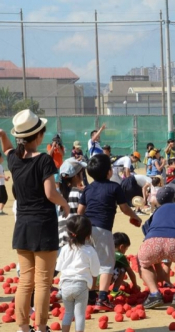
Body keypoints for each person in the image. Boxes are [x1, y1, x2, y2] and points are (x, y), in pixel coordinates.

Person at [0, 109, 70, 332]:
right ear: (39, 135)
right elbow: (50, 193)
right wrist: (65, 204)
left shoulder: (13, 159)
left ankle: (23, 327)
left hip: (22, 227)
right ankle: (40, 328)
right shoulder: (44, 161)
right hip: (44, 225)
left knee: (24, 282)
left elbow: (8, 148)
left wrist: (2, 134)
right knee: (42, 282)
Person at [78, 154, 142, 311]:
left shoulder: (88, 188)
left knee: (91, 262)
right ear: (109, 172)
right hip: (102, 229)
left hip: (86, 229)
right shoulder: (114, 187)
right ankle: (102, 298)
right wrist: (136, 217)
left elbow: (80, 211)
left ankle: (91, 296)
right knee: (107, 264)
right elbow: (125, 208)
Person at [56, 216, 99, 332]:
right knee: (79, 315)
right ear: (88, 234)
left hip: (65, 286)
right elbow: (95, 271)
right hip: (81, 286)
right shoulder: (90, 250)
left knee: (68, 313)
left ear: (69, 233)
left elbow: (58, 267)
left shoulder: (64, 249)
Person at [59, 158, 87, 248]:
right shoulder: (79, 193)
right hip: (75, 239)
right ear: (75, 176)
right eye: (81, 173)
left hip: (60, 238)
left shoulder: (59, 194)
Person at [111, 232, 139, 298]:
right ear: (122, 247)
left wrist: (122, 282)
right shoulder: (120, 256)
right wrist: (135, 285)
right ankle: (114, 291)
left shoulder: (105, 251)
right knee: (122, 269)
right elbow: (131, 273)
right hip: (104, 281)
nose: (125, 251)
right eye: (126, 249)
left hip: (93, 283)